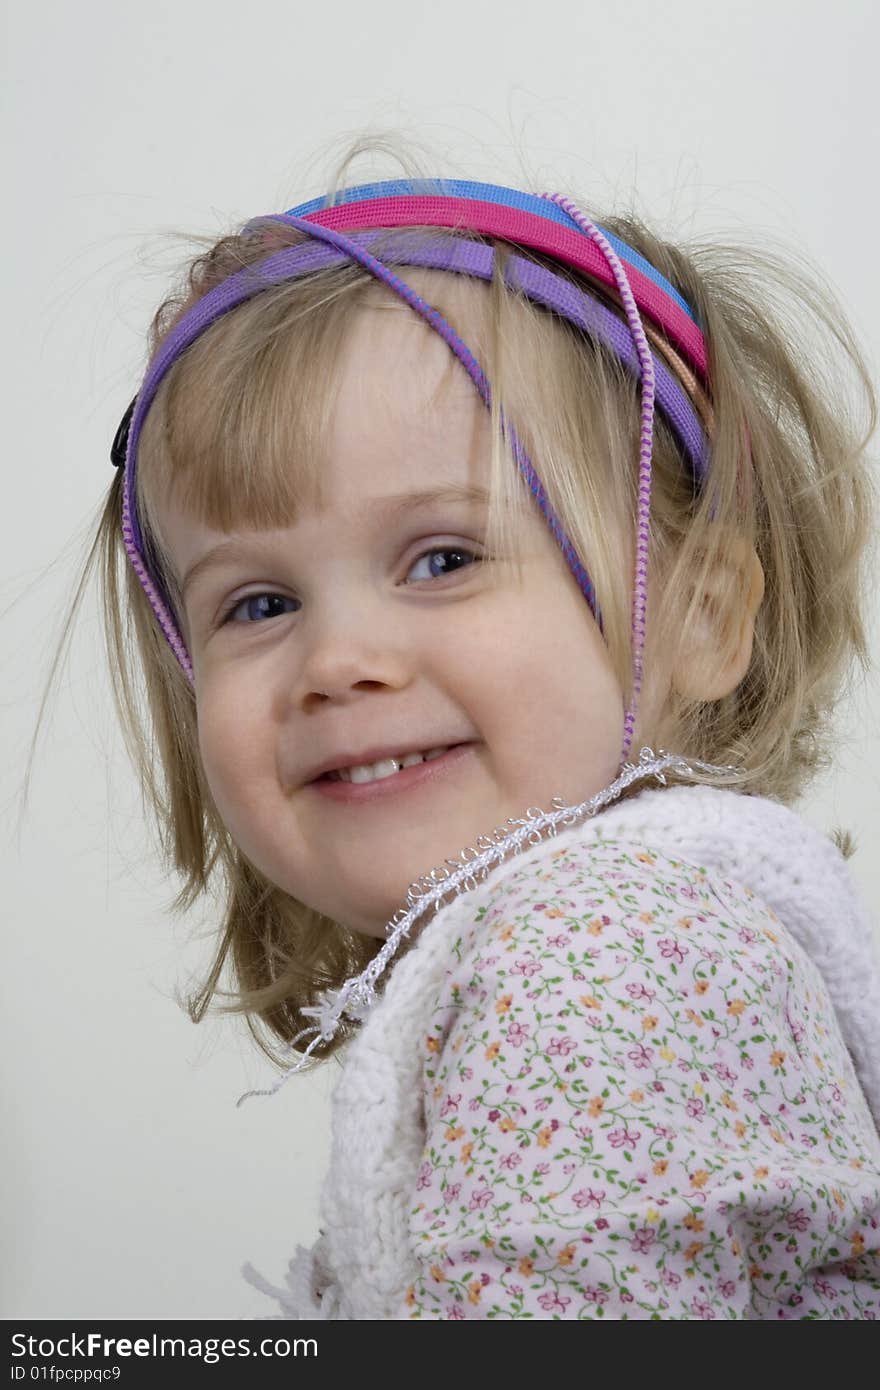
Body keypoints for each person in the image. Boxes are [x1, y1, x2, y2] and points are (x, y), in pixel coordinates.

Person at [67, 144, 880, 1318]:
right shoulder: (598, 944)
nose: (337, 662)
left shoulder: (603, 955)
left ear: (700, 615)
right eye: (258, 603)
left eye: (442, 558)